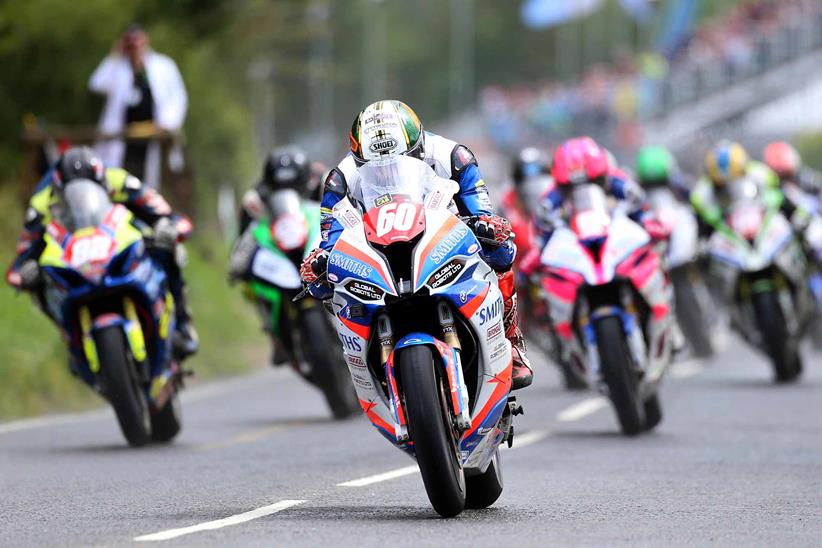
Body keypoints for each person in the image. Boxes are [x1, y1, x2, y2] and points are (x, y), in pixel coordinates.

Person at [299, 99, 532, 389]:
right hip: (377, 252)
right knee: (327, 286)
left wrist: (484, 225)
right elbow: (330, 238)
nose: (386, 173)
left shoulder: (454, 157)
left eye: (398, 161)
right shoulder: (340, 180)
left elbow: (480, 210)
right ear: (358, 158)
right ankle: (364, 370)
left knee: (500, 251)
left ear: (418, 147)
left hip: (443, 238)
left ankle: (511, 340)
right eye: (375, 167)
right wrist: (322, 260)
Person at [6, 146, 198, 358]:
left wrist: (167, 226)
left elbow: (159, 208)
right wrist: (25, 269)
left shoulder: (119, 180)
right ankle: (71, 340)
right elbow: (25, 249)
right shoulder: (42, 203)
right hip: (73, 260)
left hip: (122, 244)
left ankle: (182, 323)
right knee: (37, 284)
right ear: (58, 188)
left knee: (169, 249)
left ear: (101, 181)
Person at [89, 24, 188, 189]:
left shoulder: (163, 66)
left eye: (137, 43)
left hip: (154, 139)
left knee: (152, 185)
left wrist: (167, 124)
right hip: (122, 140)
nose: (134, 48)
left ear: (145, 42)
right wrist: (115, 55)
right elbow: (96, 84)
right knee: (118, 183)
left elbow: (179, 98)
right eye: (130, 44)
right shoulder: (117, 67)